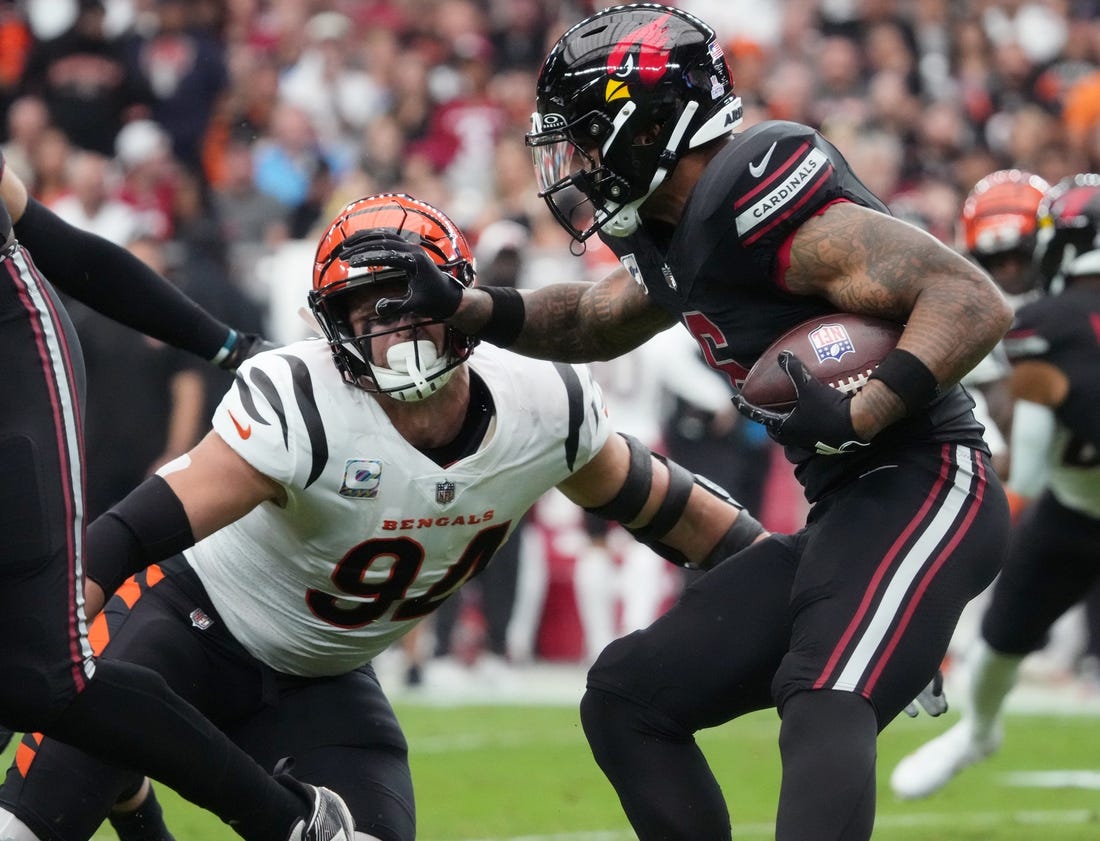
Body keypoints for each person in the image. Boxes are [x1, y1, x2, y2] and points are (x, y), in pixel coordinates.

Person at [369, 6, 1015, 839]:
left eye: (592, 134)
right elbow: (592, 321)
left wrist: (868, 405)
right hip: (849, 513)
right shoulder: (679, 231)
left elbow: (971, 299)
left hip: (931, 484)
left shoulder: (758, 199)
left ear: (653, 122)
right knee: (628, 696)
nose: (583, 159)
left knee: (823, 699)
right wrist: (465, 305)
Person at [0, 193, 765, 841]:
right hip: (184, 631)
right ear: (333, 329)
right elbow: (126, 535)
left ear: (458, 299)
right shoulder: (304, 404)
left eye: (410, 301)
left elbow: (684, 518)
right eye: (366, 312)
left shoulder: (544, 405)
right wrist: (37, 669)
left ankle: (133, 789)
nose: (394, 330)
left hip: (323, 677)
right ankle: (129, 781)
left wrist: (812, 587)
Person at [0, 153, 354, 841]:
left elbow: (62, 246)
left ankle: (290, 821)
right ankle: (136, 799)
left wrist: (227, 346)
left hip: (8, 357)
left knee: (42, 679)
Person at [890, 174, 1100, 800]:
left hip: (1062, 495)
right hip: (1072, 506)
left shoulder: (1043, 326)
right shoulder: (1016, 324)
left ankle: (978, 728)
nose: (1009, 273)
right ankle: (978, 731)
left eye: (1018, 257)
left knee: (1000, 642)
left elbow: (1026, 468)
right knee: (999, 641)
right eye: (995, 260)